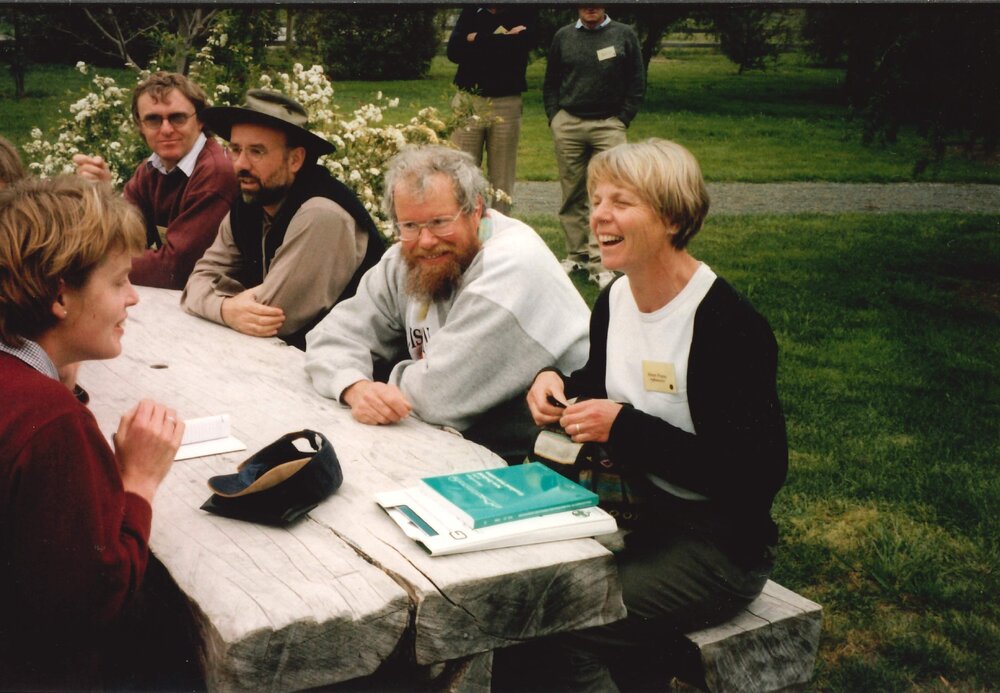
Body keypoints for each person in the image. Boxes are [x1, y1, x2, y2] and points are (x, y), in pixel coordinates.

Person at [523, 139, 787, 691]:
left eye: (621, 202)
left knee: (561, 627)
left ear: (672, 217)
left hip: (717, 547)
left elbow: (753, 475)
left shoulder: (726, 324)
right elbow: (602, 380)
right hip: (635, 516)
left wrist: (623, 427)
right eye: (597, 200)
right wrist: (557, 384)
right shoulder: (616, 299)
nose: (599, 215)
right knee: (514, 589)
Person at [0, 175, 185, 688]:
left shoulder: (29, 391)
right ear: (61, 296)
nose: (134, 298)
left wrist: (59, 384)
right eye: (119, 281)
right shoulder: (52, 424)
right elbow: (96, 603)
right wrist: (139, 481)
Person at [305, 145, 590, 463]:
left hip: (559, 444)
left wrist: (381, 385)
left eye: (440, 222)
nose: (426, 240)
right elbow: (330, 336)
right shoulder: (406, 258)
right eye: (410, 226)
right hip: (477, 432)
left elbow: (437, 398)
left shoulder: (510, 265)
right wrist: (355, 386)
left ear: (476, 210)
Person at [181, 90, 385, 350]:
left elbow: (269, 316)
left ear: (295, 160)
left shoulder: (322, 213)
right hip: (280, 356)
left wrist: (218, 302)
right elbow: (196, 282)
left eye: (256, 151)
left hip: (350, 367)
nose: (241, 164)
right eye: (235, 149)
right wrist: (226, 308)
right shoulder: (251, 202)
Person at [73, 72, 238, 289]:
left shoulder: (215, 173)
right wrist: (102, 196)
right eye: (153, 119)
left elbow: (175, 269)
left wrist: (91, 265)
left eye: (177, 118)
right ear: (140, 125)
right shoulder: (151, 170)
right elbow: (124, 239)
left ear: (200, 121)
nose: (166, 129)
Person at [543, 5, 645, 289]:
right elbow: (550, 82)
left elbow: (637, 80)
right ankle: (575, 255)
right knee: (572, 193)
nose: (591, 6)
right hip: (569, 124)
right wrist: (555, 117)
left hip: (608, 126)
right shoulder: (563, 36)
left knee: (607, 194)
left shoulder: (624, 35)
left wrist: (623, 117)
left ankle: (600, 263)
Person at [447, 5, 536, 215]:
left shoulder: (523, 11)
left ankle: (500, 226)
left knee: (502, 174)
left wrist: (476, 39)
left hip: (506, 102)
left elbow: (520, 47)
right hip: (469, 100)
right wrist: (504, 38)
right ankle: (465, 222)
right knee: (462, 170)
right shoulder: (471, 11)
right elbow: (454, 52)